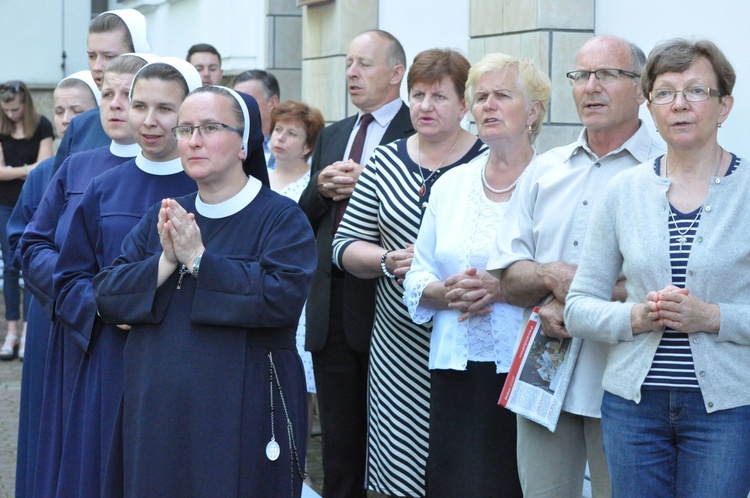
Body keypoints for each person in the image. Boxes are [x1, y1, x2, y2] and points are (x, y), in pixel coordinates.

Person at [94, 85, 315, 497]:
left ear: (243, 143)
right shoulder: (165, 215)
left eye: (210, 128)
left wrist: (199, 259)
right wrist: (165, 262)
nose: (194, 140)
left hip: (240, 409)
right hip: (157, 410)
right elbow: (107, 295)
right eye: (186, 129)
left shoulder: (282, 218)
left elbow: (279, 300)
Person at [565, 38, 750, 498]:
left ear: (724, 105)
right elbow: (578, 307)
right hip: (632, 409)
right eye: (665, 93)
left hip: (726, 410)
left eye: (696, 91)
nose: (680, 105)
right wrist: (634, 318)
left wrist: (711, 317)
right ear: (649, 105)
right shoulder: (623, 192)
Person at [488, 35, 664, 498]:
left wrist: (583, 302)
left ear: (642, 88)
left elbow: (674, 280)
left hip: (630, 383)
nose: (591, 87)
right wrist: (550, 276)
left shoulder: (664, 173)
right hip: (546, 381)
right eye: (581, 75)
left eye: (607, 74)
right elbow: (507, 276)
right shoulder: (545, 169)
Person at [332, 47, 485, 496]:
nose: (424, 107)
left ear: (464, 104)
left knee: (463, 461)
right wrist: (385, 260)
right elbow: (344, 245)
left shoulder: (486, 162)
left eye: (439, 97)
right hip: (398, 344)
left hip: (467, 335)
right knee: (399, 468)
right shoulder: (384, 160)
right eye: (417, 95)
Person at [50, 57, 201, 497]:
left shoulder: (211, 185)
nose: (149, 121)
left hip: (187, 362)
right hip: (113, 359)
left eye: (166, 109)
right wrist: (106, 308)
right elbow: (68, 280)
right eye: (139, 106)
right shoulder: (103, 187)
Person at [403, 52, 550, 497]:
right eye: (480, 96)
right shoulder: (452, 185)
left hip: (530, 366)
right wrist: (446, 292)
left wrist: (500, 290)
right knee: (456, 482)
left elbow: (572, 275)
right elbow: (417, 269)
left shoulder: (556, 181)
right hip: (456, 365)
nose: (488, 105)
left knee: (515, 483)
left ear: (533, 111)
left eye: (502, 95)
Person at [19, 53, 153, 498]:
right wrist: (88, 298)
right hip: (79, 334)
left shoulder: (185, 173)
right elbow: (33, 243)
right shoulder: (78, 165)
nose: (115, 104)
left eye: (128, 95)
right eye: (107, 94)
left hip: (146, 340)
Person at [297, 29, 413, 498]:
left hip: (393, 308)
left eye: (364, 63)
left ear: (396, 73)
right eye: (348, 63)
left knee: (395, 448)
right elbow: (303, 217)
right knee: (341, 450)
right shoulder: (335, 134)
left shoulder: (420, 131)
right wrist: (322, 189)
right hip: (332, 309)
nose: (351, 72)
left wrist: (376, 188)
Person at [7, 71, 99, 498]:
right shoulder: (45, 173)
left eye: (77, 110)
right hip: (49, 311)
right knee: (47, 415)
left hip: (97, 314)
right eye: (59, 110)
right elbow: (20, 237)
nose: (65, 119)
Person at [267, 99, 325, 483]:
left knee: (300, 386)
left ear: (308, 145)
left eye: (292, 133)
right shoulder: (256, 177)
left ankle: (299, 471)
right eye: (277, 130)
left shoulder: (314, 185)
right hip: (262, 286)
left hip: (302, 296)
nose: (281, 138)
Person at [52, 8, 151, 174]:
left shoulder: (166, 124)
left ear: (137, 54)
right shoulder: (80, 127)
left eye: (110, 56)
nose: (97, 66)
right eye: (91, 56)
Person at [0, 80, 54, 361]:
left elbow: (44, 169)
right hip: (5, 205)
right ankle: (11, 332)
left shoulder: (42, 125)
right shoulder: (1, 126)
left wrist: (12, 169)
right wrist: (26, 169)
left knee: (31, 267)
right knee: (10, 269)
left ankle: (28, 331)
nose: (11, 114)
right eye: (6, 109)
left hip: (36, 205)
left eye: (15, 108)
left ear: (26, 104)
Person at [233, 69, 280, 168]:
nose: (240, 106)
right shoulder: (229, 141)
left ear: (272, 103)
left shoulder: (287, 143)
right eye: (236, 100)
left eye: (247, 100)